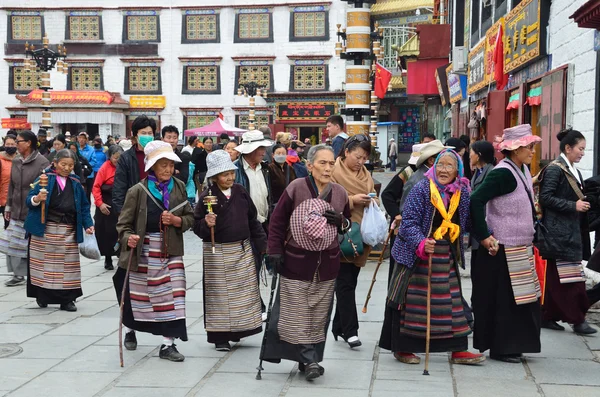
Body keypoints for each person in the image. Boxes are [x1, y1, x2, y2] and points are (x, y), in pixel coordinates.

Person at [380, 149, 485, 365]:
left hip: (444, 254)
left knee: (451, 302)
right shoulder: (422, 189)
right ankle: (403, 349)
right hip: (416, 253)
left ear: (458, 170)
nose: (443, 170)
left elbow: (467, 222)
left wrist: (485, 237)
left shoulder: (462, 191)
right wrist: (420, 242)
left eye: (449, 166)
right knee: (412, 303)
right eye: (440, 165)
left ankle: (458, 350)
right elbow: (408, 223)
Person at [263, 144, 351, 380]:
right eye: (322, 163)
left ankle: (309, 359)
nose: (328, 167)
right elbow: (278, 221)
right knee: (297, 313)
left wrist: (341, 220)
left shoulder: (340, 193)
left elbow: (348, 225)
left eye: (332, 163)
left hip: (327, 264)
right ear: (309, 166)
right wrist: (274, 251)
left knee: (319, 314)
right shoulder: (296, 187)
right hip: (296, 262)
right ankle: (310, 360)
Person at [113, 141, 194, 362]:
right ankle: (130, 328)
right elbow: (123, 225)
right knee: (140, 298)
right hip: (144, 251)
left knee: (175, 295)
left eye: (170, 164)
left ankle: (168, 344)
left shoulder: (178, 186)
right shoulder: (136, 191)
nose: (168, 169)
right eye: (163, 165)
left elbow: (190, 217)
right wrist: (129, 237)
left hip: (171, 251)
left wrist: (177, 220)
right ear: (151, 167)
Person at [470, 124, 542, 363]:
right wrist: (484, 235)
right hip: (501, 248)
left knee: (521, 301)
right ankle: (502, 348)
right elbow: (476, 200)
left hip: (519, 246)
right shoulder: (503, 173)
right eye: (529, 146)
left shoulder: (519, 170)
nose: (533, 151)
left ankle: (514, 345)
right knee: (504, 303)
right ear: (516, 149)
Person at [194, 150, 267, 351]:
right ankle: (220, 337)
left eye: (231, 173)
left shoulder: (240, 191)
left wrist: (262, 245)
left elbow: (252, 219)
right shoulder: (207, 197)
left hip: (241, 250)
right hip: (217, 253)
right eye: (225, 174)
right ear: (215, 177)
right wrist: (205, 223)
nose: (229, 177)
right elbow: (196, 225)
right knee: (218, 296)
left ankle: (240, 330)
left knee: (243, 294)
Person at [536, 129, 596, 335]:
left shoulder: (572, 169)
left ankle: (548, 315)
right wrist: (574, 206)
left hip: (568, 232)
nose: (582, 153)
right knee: (573, 280)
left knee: (556, 278)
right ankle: (578, 319)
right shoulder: (555, 169)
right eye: (580, 149)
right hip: (559, 234)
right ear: (568, 148)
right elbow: (545, 198)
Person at [24, 149, 94, 311]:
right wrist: (37, 199)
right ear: (54, 163)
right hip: (45, 229)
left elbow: (84, 206)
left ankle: (67, 300)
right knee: (42, 267)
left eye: (70, 165)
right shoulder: (44, 179)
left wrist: (88, 224)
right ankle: (42, 297)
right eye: (63, 164)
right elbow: (29, 199)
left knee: (68, 268)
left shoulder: (76, 182)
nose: (67, 168)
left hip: (67, 230)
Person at [330, 134, 379, 348]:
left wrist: (372, 199)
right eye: (357, 156)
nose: (360, 162)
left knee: (351, 281)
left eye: (364, 158)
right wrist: (351, 200)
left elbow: (373, 192)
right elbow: (327, 200)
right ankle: (351, 331)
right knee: (345, 284)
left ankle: (338, 326)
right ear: (346, 151)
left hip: (361, 234)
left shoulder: (365, 173)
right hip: (340, 233)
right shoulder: (333, 172)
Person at [1, 131, 49, 286]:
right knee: (12, 243)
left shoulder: (42, 162)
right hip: (16, 207)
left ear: (28, 143)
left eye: (18, 141)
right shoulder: (16, 161)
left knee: (29, 244)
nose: (16, 145)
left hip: (32, 208)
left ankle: (35, 274)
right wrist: (8, 206)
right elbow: (12, 185)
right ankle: (17, 274)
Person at [234, 130, 274, 313]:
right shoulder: (235, 171)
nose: (264, 151)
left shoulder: (264, 168)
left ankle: (256, 305)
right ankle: (255, 306)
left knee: (257, 265)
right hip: (244, 225)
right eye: (260, 148)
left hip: (262, 224)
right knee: (249, 268)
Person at [381, 143, 424, 283]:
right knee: (397, 272)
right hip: (401, 228)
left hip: (417, 231)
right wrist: (396, 214)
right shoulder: (408, 172)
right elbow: (387, 195)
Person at [112, 115, 156, 214]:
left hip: (155, 207)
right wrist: (122, 214)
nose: (147, 136)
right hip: (134, 208)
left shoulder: (158, 155)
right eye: (143, 133)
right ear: (136, 135)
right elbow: (119, 188)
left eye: (150, 133)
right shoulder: (126, 158)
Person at [469, 140, 496, 287]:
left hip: (485, 228)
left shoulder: (491, 172)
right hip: (477, 230)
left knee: (482, 274)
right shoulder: (477, 172)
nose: (469, 156)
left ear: (478, 155)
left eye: (472, 152)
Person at [92, 145, 124, 270]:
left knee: (121, 231)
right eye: (115, 157)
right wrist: (100, 204)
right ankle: (108, 258)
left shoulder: (125, 167)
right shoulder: (104, 168)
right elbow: (96, 187)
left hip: (121, 202)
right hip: (106, 203)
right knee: (106, 232)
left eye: (120, 157)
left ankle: (121, 255)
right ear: (109, 157)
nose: (117, 160)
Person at [0, 134, 18, 229]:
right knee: (8, 226)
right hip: (5, 199)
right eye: (8, 144)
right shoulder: (0, 159)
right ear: (4, 145)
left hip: (20, 199)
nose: (10, 146)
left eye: (12, 144)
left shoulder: (22, 159)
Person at [77, 132, 97, 201]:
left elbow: (94, 161)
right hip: (78, 175)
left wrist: (85, 167)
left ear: (86, 139)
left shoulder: (91, 149)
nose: (81, 140)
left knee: (87, 195)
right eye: (80, 138)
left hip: (88, 176)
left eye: (83, 138)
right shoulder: (76, 148)